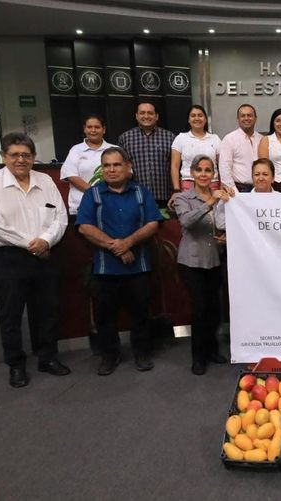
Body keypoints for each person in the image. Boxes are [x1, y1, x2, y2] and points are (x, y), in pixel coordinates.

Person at [0, 132, 70, 387]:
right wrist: (32, 245)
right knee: (11, 315)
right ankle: (16, 365)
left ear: (34, 157)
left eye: (26, 155)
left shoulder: (46, 181)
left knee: (47, 311)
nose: (20, 160)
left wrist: (46, 241)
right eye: (14, 155)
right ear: (3, 157)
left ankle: (47, 357)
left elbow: (60, 217)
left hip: (44, 254)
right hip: (8, 258)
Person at [76, 146, 164, 376]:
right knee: (105, 317)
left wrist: (129, 242)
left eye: (116, 164)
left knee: (142, 315)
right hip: (105, 269)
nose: (112, 169)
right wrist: (116, 246)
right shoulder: (92, 194)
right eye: (107, 166)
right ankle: (109, 356)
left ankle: (142, 353)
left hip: (139, 267)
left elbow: (153, 223)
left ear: (128, 167)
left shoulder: (141, 193)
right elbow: (85, 227)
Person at [174, 155, 234, 375]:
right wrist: (210, 202)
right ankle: (198, 358)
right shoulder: (183, 198)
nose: (203, 174)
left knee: (213, 309)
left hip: (214, 259)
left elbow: (222, 224)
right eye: (199, 170)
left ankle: (211, 349)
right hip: (192, 261)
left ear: (213, 174)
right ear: (192, 173)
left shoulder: (220, 197)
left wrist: (224, 236)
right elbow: (186, 222)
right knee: (199, 310)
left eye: (208, 170)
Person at [117, 102, 175, 206]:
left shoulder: (169, 137)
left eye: (150, 113)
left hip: (164, 196)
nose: (146, 116)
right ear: (136, 116)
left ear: (156, 116)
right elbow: (121, 167)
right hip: (134, 196)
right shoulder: (125, 138)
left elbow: (175, 166)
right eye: (142, 113)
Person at [60, 114, 115, 218]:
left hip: (111, 204)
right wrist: (96, 193)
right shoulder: (76, 150)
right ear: (84, 129)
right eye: (89, 127)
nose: (93, 130)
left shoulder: (114, 149)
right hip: (81, 205)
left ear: (104, 129)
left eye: (97, 127)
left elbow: (127, 174)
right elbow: (71, 175)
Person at [170, 105, 222, 195]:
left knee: (212, 209)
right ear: (188, 120)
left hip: (212, 185)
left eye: (200, 115)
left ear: (205, 119)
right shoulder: (181, 138)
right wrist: (176, 189)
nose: (197, 118)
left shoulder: (215, 138)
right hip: (188, 185)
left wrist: (222, 186)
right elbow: (174, 166)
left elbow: (222, 166)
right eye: (193, 116)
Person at [219, 104, 263, 192]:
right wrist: (234, 191)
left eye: (249, 115)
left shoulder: (262, 139)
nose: (246, 118)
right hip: (239, 189)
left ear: (255, 118)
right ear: (238, 119)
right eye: (243, 116)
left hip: (259, 189)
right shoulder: (229, 139)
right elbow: (225, 168)